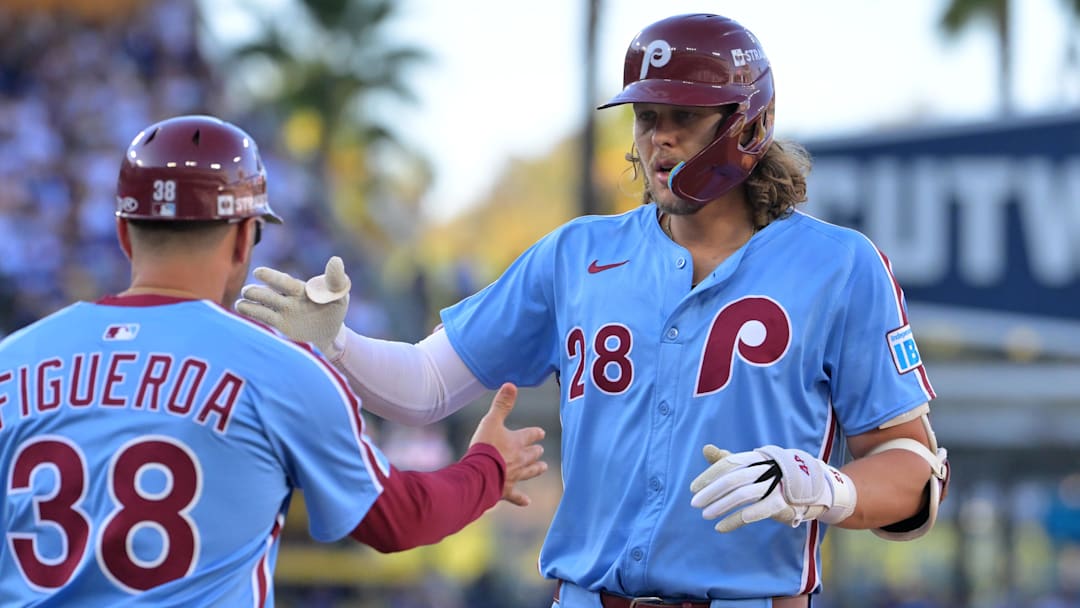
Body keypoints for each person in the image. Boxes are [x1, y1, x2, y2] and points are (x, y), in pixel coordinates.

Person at [236, 13, 950, 608]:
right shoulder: (576, 253)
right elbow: (426, 388)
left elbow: (914, 472)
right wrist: (339, 346)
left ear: (747, 123)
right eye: (647, 117)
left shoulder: (841, 265)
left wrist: (823, 486)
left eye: (683, 118)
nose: (657, 138)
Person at [0, 115, 547, 607]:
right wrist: (488, 468)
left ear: (123, 233)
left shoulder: (11, 361)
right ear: (244, 238)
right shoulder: (282, 368)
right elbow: (398, 519)